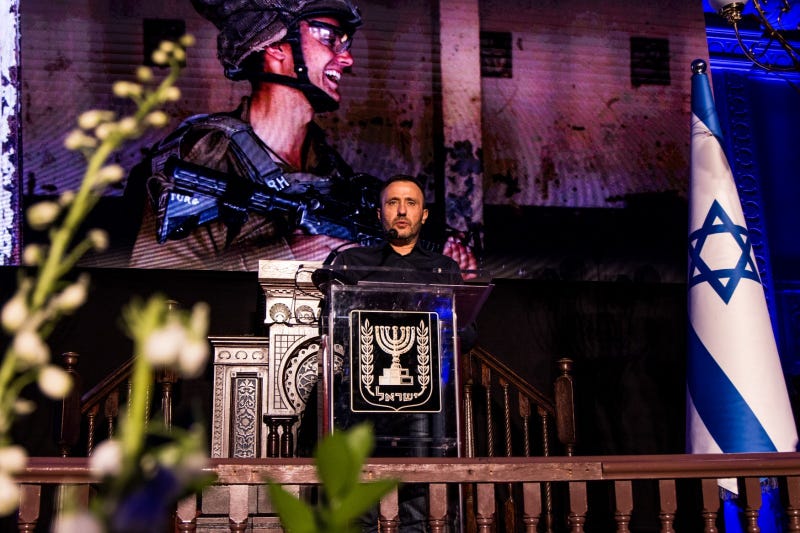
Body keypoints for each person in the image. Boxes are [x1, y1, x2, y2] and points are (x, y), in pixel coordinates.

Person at [124, 0, 367, 270]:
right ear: (275, 45)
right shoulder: (204, 157)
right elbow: (156, 285)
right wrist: (284, 258)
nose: (348, 59)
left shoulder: (332, 168)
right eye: (329, 38)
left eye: (344, 43)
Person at [324, 174, 473, 532]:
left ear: (424, 214)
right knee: (359, 506)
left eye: (411, 203)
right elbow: (330, 326)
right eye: (393, 203)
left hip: (425, 409)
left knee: (420, 506)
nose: (402, 211)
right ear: (380, 213)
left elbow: (466, 334)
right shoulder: (352, 263)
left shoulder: (443, 269)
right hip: (361, 406)